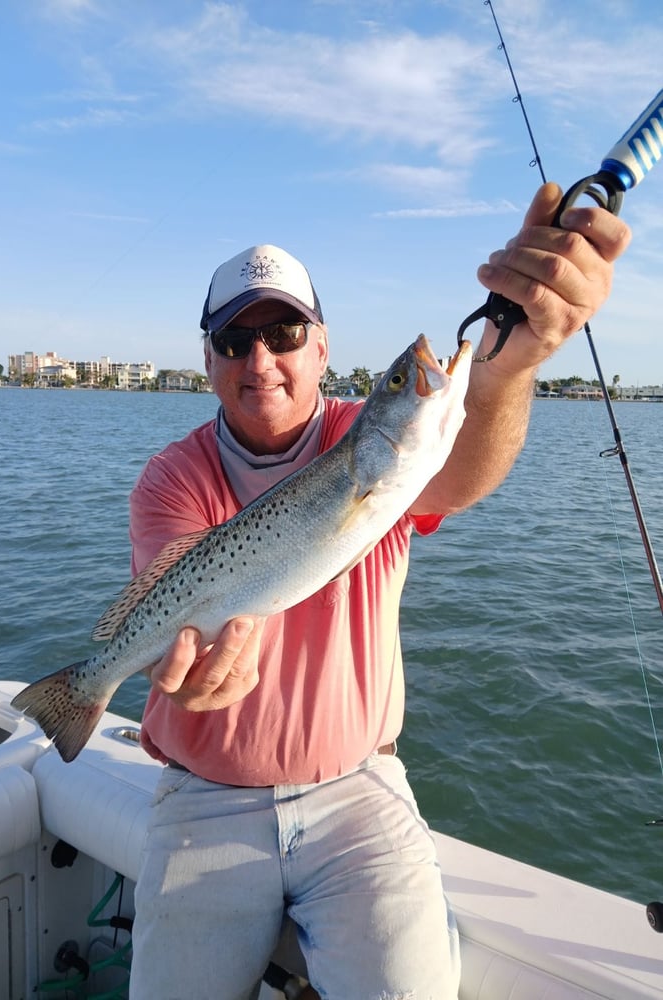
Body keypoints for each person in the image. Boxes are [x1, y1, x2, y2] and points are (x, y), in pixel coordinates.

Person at [127, 182, 631, 1000]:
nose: (263, 360)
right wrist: (190, 673)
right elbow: (171, 593)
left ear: (321, 347)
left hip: (359, 792)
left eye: (285, 332)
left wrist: (513, 366)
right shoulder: (170, 479)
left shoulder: (380, 455)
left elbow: (456, 473)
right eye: (236, 338)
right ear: (210, 359)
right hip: (203, 796)